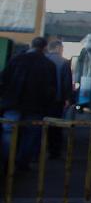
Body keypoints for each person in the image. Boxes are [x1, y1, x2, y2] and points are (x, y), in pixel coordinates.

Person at [0, 37, 58, 171]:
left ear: (32, 45)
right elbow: (51, 90)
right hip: (36, 107)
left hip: (13, 104)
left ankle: (7, 163)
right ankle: (22, 163)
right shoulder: (49, 65)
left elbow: (4, 80)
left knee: (9, 132)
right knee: (30, 136)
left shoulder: (16, 60)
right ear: (44, 47)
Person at [46, 40, 73, 159]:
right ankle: (54, 151)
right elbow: (67, 82)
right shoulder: (64, 62)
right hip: (57, 99)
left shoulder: (43, 59)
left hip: (41, 100)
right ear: (58, 48)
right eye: (62, 49)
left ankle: (39, 150)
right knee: (56, 125)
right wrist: (68, 98)